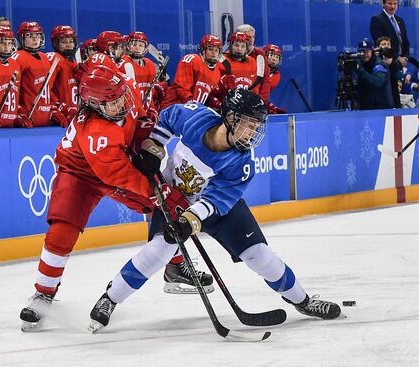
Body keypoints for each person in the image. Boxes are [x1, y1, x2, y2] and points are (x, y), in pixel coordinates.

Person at [87, 89, 341, 333]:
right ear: (231, 118)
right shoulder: (197, 116)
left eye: (257, 127)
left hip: (219, 209)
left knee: (260, 256)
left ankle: (303, 300)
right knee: (157, 252)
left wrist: (189, 221)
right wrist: (155, 146)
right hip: (175, 198)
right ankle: (109, 298)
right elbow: (168, 116)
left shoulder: (241, 162)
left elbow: (215, 200)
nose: (253, 133)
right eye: (249, 124)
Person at [19, 65, 212, 332]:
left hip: (117, 161)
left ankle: (175, 265)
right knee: (62, 231)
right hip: (80, 174)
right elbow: (119, 175)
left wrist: (147, 144)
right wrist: (158, 192)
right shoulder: (97, 131)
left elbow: (143, 117)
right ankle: (44, 293)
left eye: (122, 96)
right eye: (113, 103)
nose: (121, 103)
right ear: (94, 105)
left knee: (172, 210)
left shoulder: (124, 89)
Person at [10, 21, 67, 128]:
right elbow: (11, 90)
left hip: (44, 120)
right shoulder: (18, 57)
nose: (35, 39)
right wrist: (17, 111)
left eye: (37, 35)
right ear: (21, 38)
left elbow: (47, 89)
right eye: (30, 36)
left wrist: (52, 108)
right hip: (27, 120)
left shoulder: (44, 57)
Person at [160, 34, 223, 110]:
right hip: (174, 108)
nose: (214, 53)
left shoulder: (217, 72)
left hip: (193, 112)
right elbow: (181, 88)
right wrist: (192, 105)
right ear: (203, 50)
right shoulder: (192, 60)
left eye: (216, 50)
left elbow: (202, 95)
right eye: (210, 49)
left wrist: (213, 101)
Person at [370, 0, 410, 108]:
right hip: (387, 63)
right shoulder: (377, 20)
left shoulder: (400, 20)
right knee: (389, 94)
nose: (393, 7)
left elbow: (405, 41)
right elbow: (380, 43)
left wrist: (405, 57)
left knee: (396, 95)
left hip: (399, 64)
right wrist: (397, 57)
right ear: (383, 4)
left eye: (395, 4)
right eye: (389, 4)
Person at [118, 31, 162, 122]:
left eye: (141, 45)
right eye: (134, 44)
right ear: (128, 45)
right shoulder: (123, 65)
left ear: (145, 48)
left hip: (144, 112)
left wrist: (151, 109)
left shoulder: (150, 65)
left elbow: (149, 92)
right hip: (127, 113)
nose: (137, 48)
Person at [46, 25, 78, 124]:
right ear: (56, 44)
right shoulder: (55, 59)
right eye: (64, 42)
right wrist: (58, 106)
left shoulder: (76, 63)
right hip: (60, 115)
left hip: (74, 115)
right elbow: (44, 88)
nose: (69, 45)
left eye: (71, 41)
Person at [235, 24, 271, 102]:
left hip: (255, 101)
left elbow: (266, 81)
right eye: (248, 37)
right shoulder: (228, 56)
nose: (251, 40)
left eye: (253, 37)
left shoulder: (260, 55)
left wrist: (261, 101)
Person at [355, 38, 394, 110]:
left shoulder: (379, 64)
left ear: (372, 51)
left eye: (368, 51)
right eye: (362, 51)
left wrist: (360, 71)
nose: (365, 54)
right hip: (367, 107)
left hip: (382, 108)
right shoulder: (359, 63)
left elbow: (378, 82)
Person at [263, 44, 286, 114]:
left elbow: (263, 95)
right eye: (271, 55)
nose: (274, 59)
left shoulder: (276, 75)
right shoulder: (255, 68)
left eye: (277, 57)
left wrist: (268, 106)